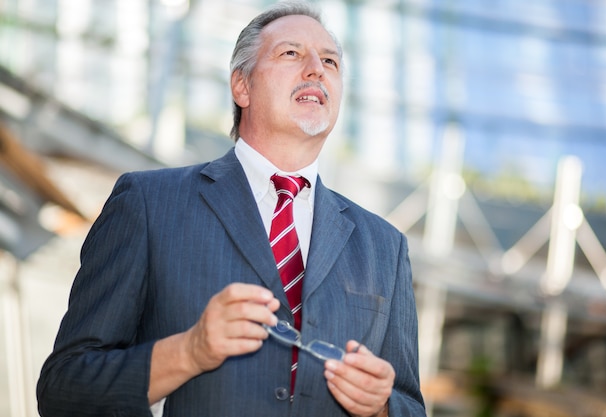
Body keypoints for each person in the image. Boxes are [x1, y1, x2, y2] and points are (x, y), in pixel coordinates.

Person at [36, 1, 427, 416]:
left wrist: (383, 407)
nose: (317, 68)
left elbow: (410, 405)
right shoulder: (148, 204)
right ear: (241, 86)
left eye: (330, 60)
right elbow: (65, 389)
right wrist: (189, 351)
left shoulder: (385, 247)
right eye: (291, 53)